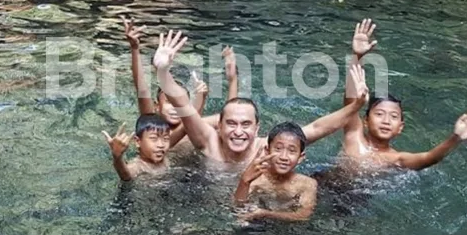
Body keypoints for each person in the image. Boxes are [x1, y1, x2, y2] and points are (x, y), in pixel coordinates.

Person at [153, 29, 370, 168]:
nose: (239, 132)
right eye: (231, 124)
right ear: (219, 126)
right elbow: (182, 102)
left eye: (246, 124)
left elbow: (316, 128)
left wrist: (357, 106)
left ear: (257, 128)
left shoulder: (268, 148)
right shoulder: (207, 141)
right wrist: (162, 71)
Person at [340, 18, 467, 170]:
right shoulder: (354, 136)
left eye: (394, 116)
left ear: (400, 127)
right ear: (365, 120)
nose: (386, 121)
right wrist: (357, 56)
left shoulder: (397, 159)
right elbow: (350, 103)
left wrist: (455, 138)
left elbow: (429, 158)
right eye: (379, 114)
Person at [123, 18, 237, 148]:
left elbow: (231, 118)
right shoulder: (150, 127)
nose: (175, 108)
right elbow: (142, 89)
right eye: (168, 102)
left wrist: (232, 79)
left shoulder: (198, 126)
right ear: (157, 106)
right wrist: (135, 48)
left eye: (178, 104)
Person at [233, 122, 317, 224]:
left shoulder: (307, 184)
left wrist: (266, 214)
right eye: (278, 149)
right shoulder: (256, 177)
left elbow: (304, 215)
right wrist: (244, 181)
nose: (284, 157)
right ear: (267, 151)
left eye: (292, 151)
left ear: (300, 157)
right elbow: (237, 207)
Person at [103, 114, 172, 181]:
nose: (161, 145)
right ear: (138, 141)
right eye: (154, 138)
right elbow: (125, 176)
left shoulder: (166, 160)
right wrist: (117, 156)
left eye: (166, 139)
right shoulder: (137, 166)